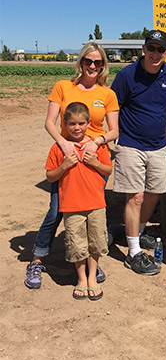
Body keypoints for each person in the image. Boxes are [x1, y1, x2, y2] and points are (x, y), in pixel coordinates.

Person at [24, 43, 119, 290]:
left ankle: (90, 264)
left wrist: (96, 142)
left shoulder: (107, 94)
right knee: (57, 210)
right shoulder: (63, 87)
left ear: (103, 65)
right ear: (80, 61)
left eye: (98, 63)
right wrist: (63, 143)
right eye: (88, 61)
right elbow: (50, 122)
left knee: (91, 214)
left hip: (93, 160)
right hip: (68, 158)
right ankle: (37, 259)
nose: (92, 66)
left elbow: (114, 130)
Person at [111, 29, 166, 275]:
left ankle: (135, 234)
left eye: (160, 49)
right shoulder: (127, 75)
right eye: (152, 48)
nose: (155, 53)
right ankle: (133, 253)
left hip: (158, 145)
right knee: (135, 197)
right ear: (143, 49)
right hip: (130, 144)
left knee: (155, 193)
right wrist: (114, 137)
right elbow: (113, 107)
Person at [45, 102, 112, 300]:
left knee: (96, 242)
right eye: (72, 123)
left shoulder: (97, 147)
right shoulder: (58, 148)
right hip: (72, 205)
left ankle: (92, 277)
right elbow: (50, 176)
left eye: (81, 123)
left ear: (88, 123)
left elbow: (108, 170)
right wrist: (64, 166)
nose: (77, 128)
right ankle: (81, 278)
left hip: (96, 204)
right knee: (76, 243)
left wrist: (95, 163)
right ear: (64, 124)